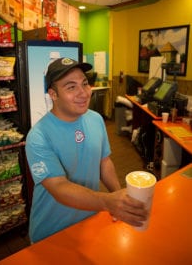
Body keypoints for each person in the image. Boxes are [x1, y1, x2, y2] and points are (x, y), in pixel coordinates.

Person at [25, 57, 148, 243]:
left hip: (91, 220)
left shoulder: (96, 119)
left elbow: (104, 162)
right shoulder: (38, 136)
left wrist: (119, 199)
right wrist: (108, 202)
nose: (83, 93)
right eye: (71, 87)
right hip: (52, 231)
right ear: (53, 94)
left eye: (85, 83)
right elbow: (58, 186)